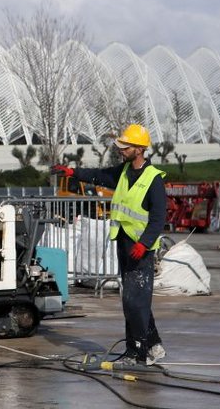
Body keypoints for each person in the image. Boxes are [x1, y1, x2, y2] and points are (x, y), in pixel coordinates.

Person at [52, 123, 167, 366]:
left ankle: (137, 353)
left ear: (139, 149)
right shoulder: (124, 172)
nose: (121, 150)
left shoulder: (153, 180)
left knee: (134, 301)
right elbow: (100, 175)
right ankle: (153, 345)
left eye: (126, 147)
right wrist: (74, 173)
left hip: (140, 248)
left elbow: (158, 219)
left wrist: (145, 244)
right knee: (135, 298)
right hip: (124, 242)